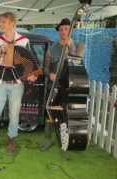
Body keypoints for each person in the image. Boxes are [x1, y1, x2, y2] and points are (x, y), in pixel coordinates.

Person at [0, 12, 37, 154]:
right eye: (1, 21)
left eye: (4, 22)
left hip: (17, 84)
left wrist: (31, 74)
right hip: (1, 82)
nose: (1, 24)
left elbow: (30, 62)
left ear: (13, 23)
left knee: (14, 114)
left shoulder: (23, 40)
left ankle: (12, 140)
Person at [41, 18, 77, 151]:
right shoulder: (52, 49)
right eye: (61, 29)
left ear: (71, 30)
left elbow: (78, 62)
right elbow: (45, 68)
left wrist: (71, 47)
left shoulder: (78, 46)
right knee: (50, 112)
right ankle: (48, 140)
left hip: (69, 87)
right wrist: (49, 74)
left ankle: (65, 140)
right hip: (54, 87)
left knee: (66, 114)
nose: (63, 32)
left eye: (66, 29)